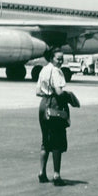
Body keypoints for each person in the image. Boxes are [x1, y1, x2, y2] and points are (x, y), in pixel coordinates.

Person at [35, 48, 69, 186]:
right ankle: (56, 175)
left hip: (43, 104)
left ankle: (42, 172)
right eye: (58, 58)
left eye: (62, 58)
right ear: (51, 58)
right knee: (57, 141)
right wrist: (69, 97)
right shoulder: (56, 71)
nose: (60, 61)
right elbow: (59, 92)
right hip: (55, 105)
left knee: (45, 140)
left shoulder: (43, 70)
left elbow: (38, 91)